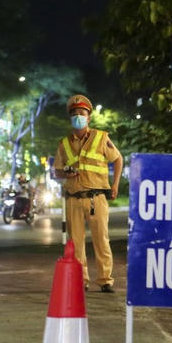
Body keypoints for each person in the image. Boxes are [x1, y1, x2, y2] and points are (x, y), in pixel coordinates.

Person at [53, 94, 123, 293]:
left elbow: (118, 159)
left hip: (96, 198)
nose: (78, 116)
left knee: (102, 240)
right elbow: (56, 171)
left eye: (82, 113)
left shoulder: (101, 138)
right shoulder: (64, 143)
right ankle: (80, 280)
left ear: (89, 117)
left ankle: (105, 280)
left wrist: (115, 185)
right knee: (75, 244)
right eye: (74, 114)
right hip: (74, 199)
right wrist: (65, 171)